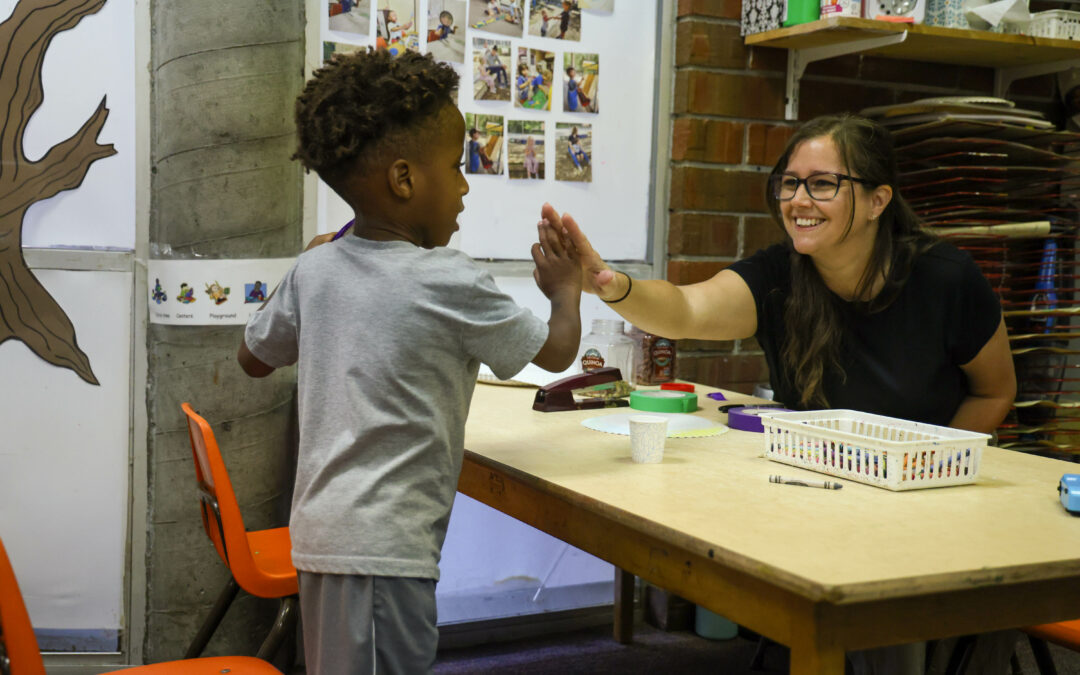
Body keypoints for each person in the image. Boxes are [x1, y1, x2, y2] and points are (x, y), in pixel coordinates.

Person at [554, 114, 1018, 672]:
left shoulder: (945, 279)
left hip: (922, 504)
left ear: (877, 201)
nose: (799, 199)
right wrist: (612, 285)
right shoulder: (779, 273)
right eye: (789, 183)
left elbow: (995, 391)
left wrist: (927, 468)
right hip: (817, 492)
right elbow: (684, 309)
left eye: (823, 183)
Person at [238, 49, 582, 674]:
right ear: (404, 180)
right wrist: (565, 288)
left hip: (324, 538)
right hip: (380, 551)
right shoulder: (448, 279)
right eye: (455, 166)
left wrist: (308, 265)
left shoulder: (316, 267)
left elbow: (253, 357)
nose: (465, 185)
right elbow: (557, 352)